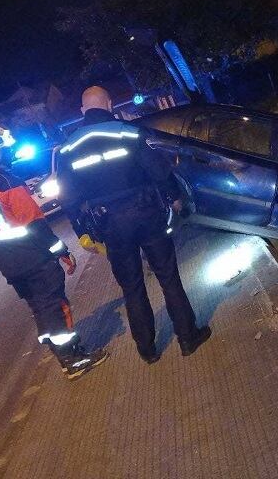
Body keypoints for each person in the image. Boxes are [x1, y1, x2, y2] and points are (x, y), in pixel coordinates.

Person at [56, 86, 210, 364]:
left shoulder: (67, 148)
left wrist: (83, 233)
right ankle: (188, 338)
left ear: (82, 110)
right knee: (168, 276)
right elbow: (159, 171)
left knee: (132, 287)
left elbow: (68, 198)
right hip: (147, 213)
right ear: (109, 104)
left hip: (109, 224)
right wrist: (175, 198)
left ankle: (147, 350)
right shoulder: (128, 132)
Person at [0, 124, 108, 380]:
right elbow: (35, 224)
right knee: (55, 307)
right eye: (6, 148)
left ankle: (61, 354)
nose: (9, 152)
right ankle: (72, 360)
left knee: (40, 309)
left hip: (8, 264)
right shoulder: (8, 182)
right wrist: (61, 250)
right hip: (34, 258)